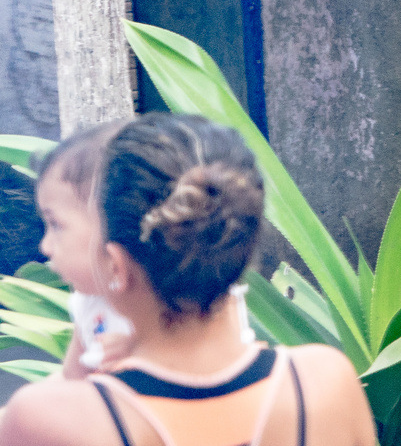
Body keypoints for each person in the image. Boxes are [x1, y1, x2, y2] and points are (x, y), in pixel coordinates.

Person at [0, 113, 376, 446]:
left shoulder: (49, 421)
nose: (46, 244)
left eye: (55, 225)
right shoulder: (324, 384)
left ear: (115, 265)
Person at [33, 123, 136, 377]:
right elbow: (70, 381)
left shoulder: (183, 301)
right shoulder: (90, 304)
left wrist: (144, 353)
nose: (44, 247)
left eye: (56, 225)